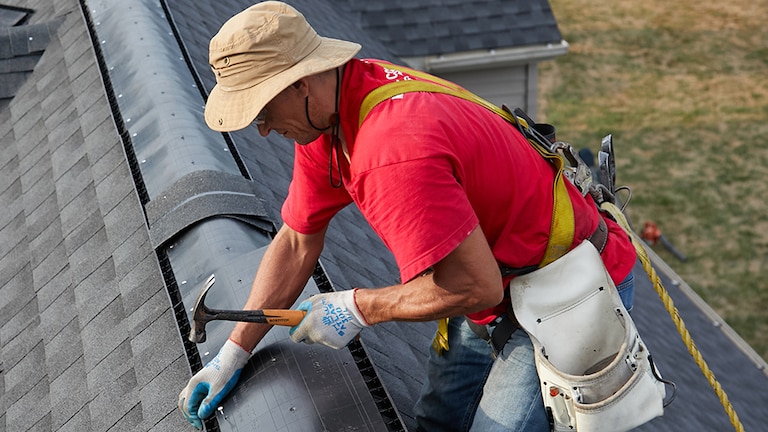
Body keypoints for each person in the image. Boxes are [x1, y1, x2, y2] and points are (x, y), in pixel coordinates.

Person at [177, 2, 637, 431]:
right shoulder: (332, 113)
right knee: (438, 422)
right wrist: (232, 355)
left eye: (262, 109)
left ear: (299, 83)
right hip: (495, 279)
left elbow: (475, 285)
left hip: (567, 288)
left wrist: (357, 307)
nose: (261, 128)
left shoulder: (391, 150)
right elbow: (297, 241)